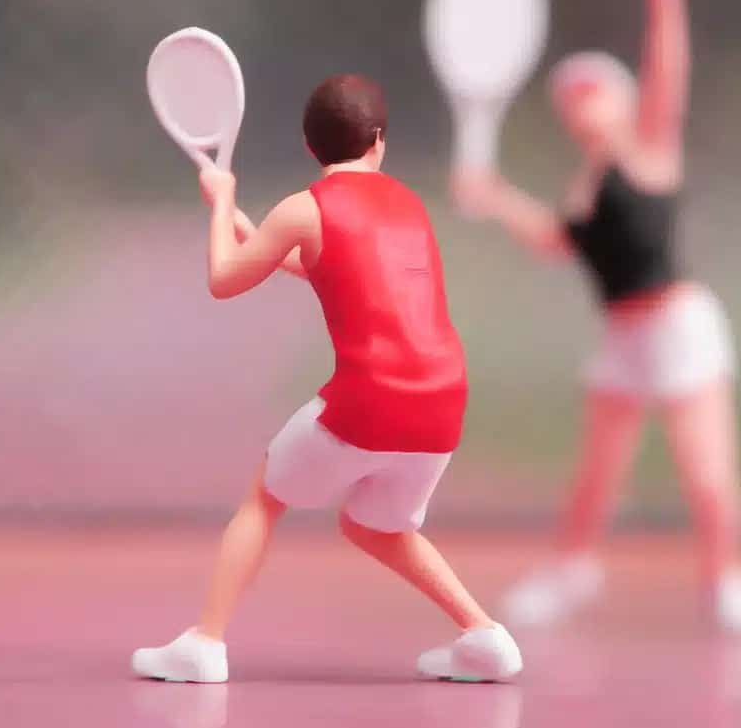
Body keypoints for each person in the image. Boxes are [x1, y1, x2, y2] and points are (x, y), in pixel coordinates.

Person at [132, 74, 522, 683]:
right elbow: (331, 264)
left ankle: (204, 643)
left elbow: (224, 279)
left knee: (265, 498)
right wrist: (245, 227)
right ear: (379, 141)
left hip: (370, 400)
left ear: (310, 146)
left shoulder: (303, 208)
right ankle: (485, 636)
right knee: (374, 526)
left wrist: (222, 199)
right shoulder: (409, 204)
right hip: (443, 403)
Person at [453, 0, 741, 636]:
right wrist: (494, 196)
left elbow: (669, 70)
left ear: (624, 100)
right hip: (622, 335)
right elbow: (554, 242)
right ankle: (572, 569)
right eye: (570, 96)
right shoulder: (585, 186)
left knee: (706, 473)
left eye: (593, 90)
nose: (580, 103)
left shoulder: (649, 150)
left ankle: (727, 579)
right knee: (597, 473)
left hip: (677, 326)